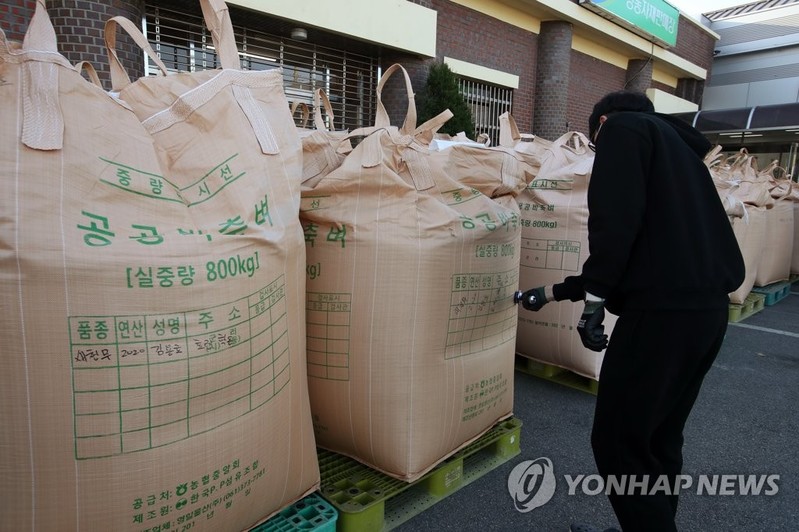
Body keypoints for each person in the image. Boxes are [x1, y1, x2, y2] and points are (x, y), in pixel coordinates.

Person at [516, 90, 745, 532]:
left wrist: (594, 307)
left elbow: (615, 226)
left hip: (661, 319)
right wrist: (552, 293)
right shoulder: (680, 153)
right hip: (706, 315)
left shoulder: (622, 130)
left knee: (619, 443)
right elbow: (642, 247)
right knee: (658, 439)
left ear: (601, 123)